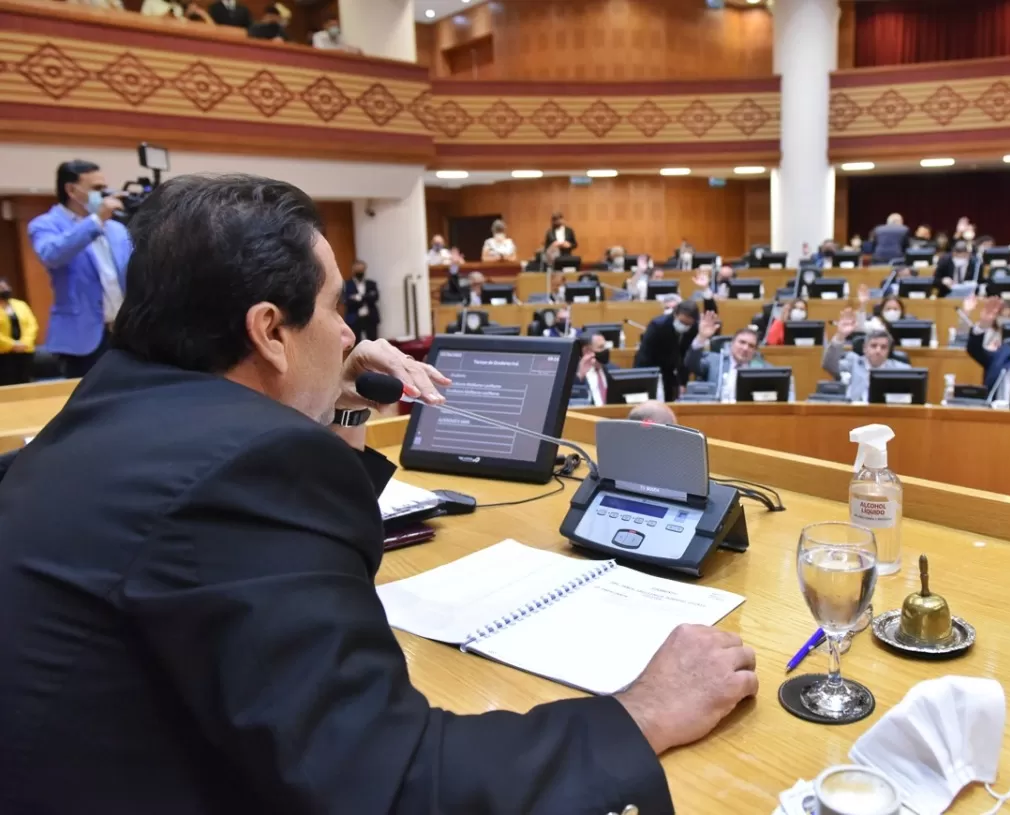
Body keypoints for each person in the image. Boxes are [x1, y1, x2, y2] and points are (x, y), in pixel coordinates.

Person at [0, 173, 758, 812]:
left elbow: (280, 585)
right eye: (335, 309)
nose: (349, 334)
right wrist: (639, 713)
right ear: (268, 329)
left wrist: (335, 397)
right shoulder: (244, 466)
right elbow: (389, 782)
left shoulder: (114, 403)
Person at [28, 160, 131, 378]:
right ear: (71, 190)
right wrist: (95, 222)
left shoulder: (116, 229)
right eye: (96, 189)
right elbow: (52, 255)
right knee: (88, 401)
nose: (104, 195)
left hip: (123, 332)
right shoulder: (45, 224)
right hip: (82, 338)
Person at [822, 314, 910, 402]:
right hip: (855, 412)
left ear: (888, 350)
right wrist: (840, 336)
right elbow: (829, 365)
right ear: (864, 348)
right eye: (873, 346)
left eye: (883, 347)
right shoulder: (852, 363)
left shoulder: (902, 370)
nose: (878, 350)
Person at [635, 298, 699, 401]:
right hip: (652, 368)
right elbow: (644, 355)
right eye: (682, 322)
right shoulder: (657, 326)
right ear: (675, 315)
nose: (685, 326)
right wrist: (642, 382)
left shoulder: (694, 329)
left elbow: (686, 357)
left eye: (688, 324)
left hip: (672, 372)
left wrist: (683, 382)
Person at [0, 278, 38, 387]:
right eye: (1, 288)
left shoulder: (20, 305)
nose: (4, 290)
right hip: (4, 355)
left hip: (24, 352)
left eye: (5, 287)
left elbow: (32, 324)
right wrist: (12, 345)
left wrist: (25, 342)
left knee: (26, 382)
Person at [576, 331, 619, 406]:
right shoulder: (574, 374)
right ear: (586, 351)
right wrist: (579, 377)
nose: (605, 350)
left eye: (605, 346)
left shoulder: (614, 370)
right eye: (601, 347)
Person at [343, 260, 379, 342]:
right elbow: (346, 301)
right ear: (353, 270)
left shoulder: (371, 284)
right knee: (356, 343)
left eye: (362, 270)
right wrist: (366, 297)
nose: (360, 272)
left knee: (374, 342)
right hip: (354, 319)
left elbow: (375, 297)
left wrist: (358, 298)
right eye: (358, 270)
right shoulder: (347, 285)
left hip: (370, 318)